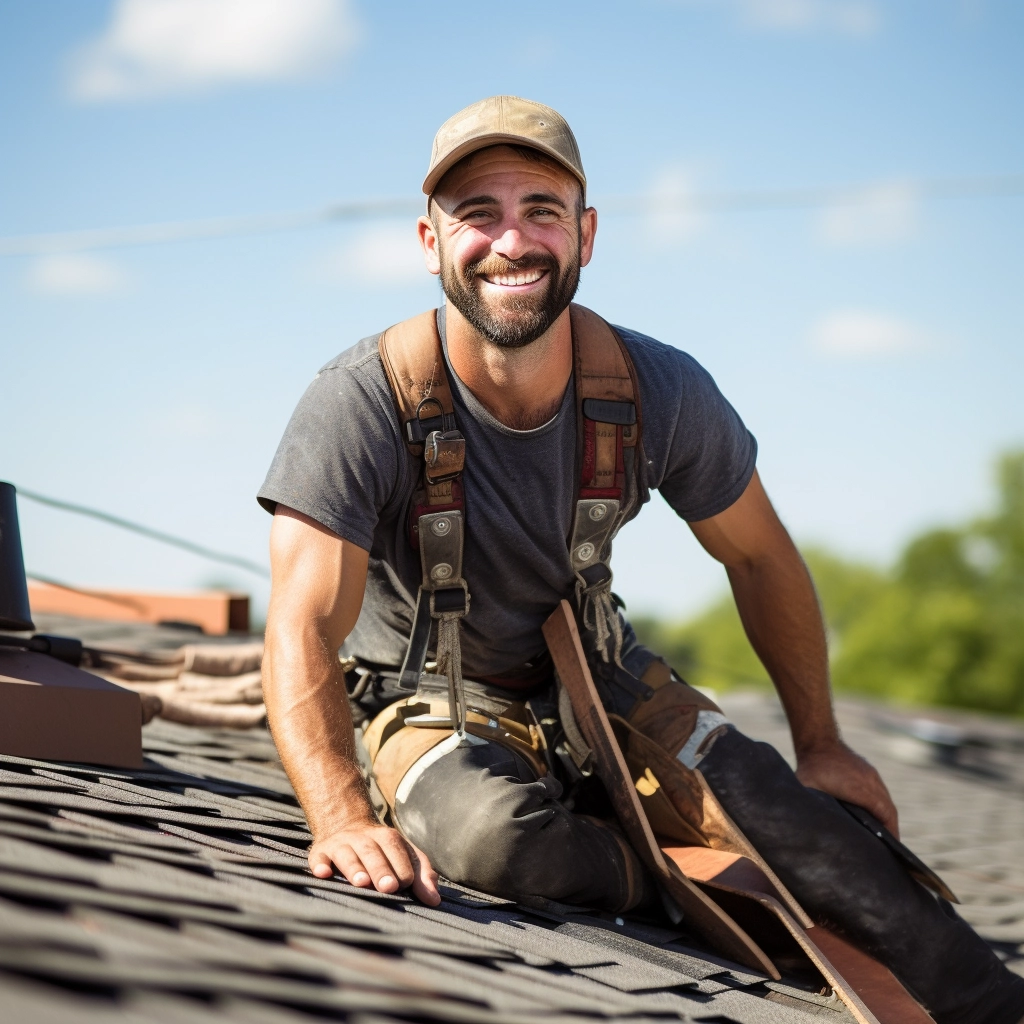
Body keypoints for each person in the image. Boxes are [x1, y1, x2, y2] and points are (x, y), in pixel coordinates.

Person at [258, 97, 1024, 1023]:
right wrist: (340, 814)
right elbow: (302, 618)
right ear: (431, 241)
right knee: (492, 841)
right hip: (431, 699)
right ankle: (670, 867)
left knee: (828, 848)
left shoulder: (655, 388)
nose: (513, 240)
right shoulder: (363, 400)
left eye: (542, 210)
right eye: (479, 214)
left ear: (585, 234)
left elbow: (761, 558)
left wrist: (822, 744)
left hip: (602, 681)